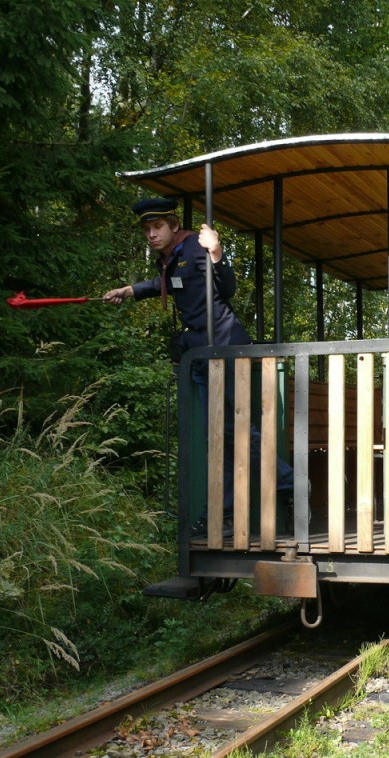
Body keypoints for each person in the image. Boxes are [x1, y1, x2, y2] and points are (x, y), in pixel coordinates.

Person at [104, 197, 293, 534]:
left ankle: (287, 487)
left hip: (227, 346)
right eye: (147, 229)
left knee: (235, 432)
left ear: (174, 225)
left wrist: (217, 253)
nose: (151, 234)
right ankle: (222, 513)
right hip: (204, 354)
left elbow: (227, 288)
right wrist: (129, 290)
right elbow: (169, 285)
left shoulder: (193, 248)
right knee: (217, 435)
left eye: (157, 226)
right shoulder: (172, 258)